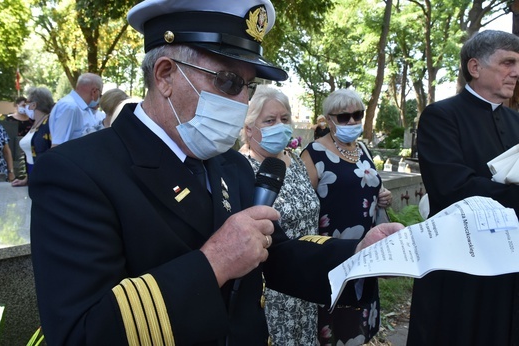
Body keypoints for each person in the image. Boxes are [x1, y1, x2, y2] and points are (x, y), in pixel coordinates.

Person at [29, 1, 403, 345]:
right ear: (165, 76)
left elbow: (278, 254)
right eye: (228, 82)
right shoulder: (76, 172)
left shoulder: (231, 165)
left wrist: (359, 253)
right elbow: (80, 331)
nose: (243, 102)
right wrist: (213, 264)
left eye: (248, 85)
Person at [409, 30, 519, 346]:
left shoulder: (516, 122)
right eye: (507, 62)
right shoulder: (440, 116)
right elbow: (453, 187)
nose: (516, 72)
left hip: (509, 265)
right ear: (475, 67)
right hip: (459, 264)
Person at [301, 88, 393, 345]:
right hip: (333, 253)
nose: (352, 121)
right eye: (344, 117)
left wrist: (382, 194)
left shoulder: (362, 149)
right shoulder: (313, 154)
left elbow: (366, 184)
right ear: (329, 119)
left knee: (359, 322)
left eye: (357, 115)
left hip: (367, 251)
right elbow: (304, 204)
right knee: (334, 324)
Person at [238, 85, 320, 345]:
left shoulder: (295, 162)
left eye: (284, 119)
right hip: (270, 288)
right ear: (249, 128)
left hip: (306, 280)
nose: (280, 126)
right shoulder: (240, 169)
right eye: (270, 120)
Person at [11, 87, 54, 187]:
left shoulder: (49, 123)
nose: (26, 106)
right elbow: (30, 154)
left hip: (44, 180)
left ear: (34, 105)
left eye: (27, 102)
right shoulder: (35, 123)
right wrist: (27, 179)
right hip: (33, 177)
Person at [49, 72, 103, 146]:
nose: (100, 97)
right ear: (94, 91)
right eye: (100, 93)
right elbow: (58, 145)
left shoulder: (84, 108)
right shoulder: (70, 107)